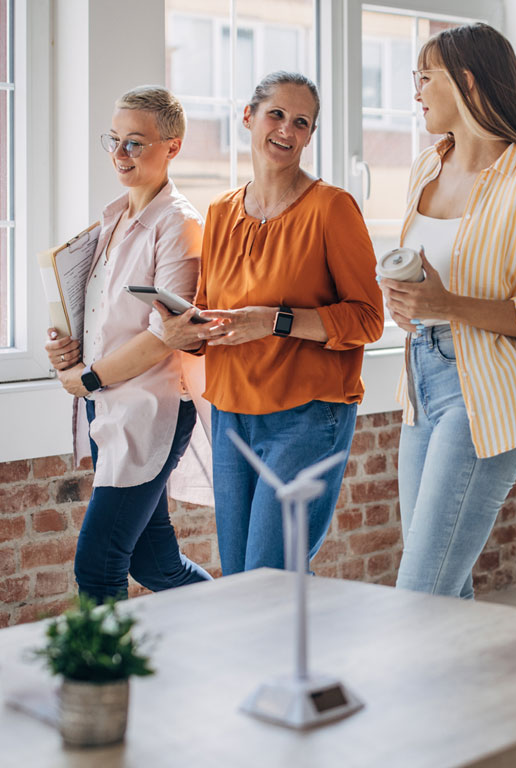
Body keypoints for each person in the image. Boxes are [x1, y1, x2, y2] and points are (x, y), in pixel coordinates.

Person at [380, 24, 516, 768]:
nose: (415, 92)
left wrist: (447, 306)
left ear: (470, 84)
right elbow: (427, 283)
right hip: (423, 386)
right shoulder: (424, 168)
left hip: (490, 397)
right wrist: (408, 303)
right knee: (449, 591)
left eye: (425, 77)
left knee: (418, 597)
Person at [159, 72, 383, 575]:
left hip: (306, 417)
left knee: (268, 577)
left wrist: (276, 321)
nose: (286, 129)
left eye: (301, 122)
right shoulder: (220, 213)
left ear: (309, 136)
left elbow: (368, 320)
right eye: (276, 114)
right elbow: (214, 311)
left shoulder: (332, 208)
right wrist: (187, 329)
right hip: (231, 416)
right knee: (241, 581)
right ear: (249, 118)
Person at [45, 85, 212, 602]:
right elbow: (101, 316)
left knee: (98, 568)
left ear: (172, 146)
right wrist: (66, 350)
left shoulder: (178, 223)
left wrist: (90, 376)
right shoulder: (113, 217)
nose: (119, 155)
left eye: (135, 143)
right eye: (114, 140)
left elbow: (167, 335)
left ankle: (107, 684)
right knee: (155, 561)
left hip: (149, 409)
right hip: (104, 408)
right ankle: (226, 627)